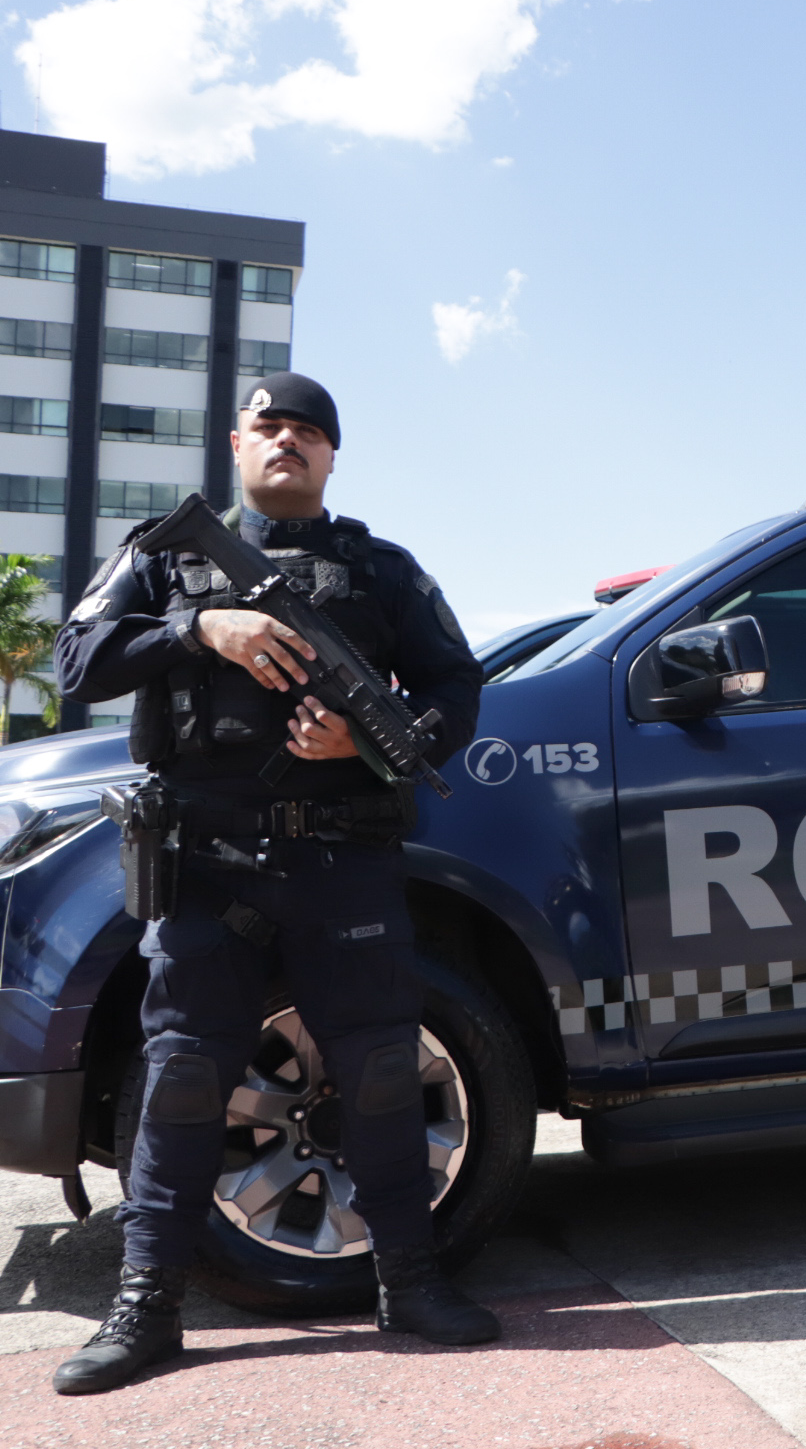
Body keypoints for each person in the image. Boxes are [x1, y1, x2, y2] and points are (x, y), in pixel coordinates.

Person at [51, 374, 491, 1395]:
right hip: (203, 866)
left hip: (341, 861)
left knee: (382, 1074)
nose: (288, 439)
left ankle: (410, 1284)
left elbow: (456, 690)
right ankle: (148, 1306)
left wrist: (367, 741)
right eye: (269, 425)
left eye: (309, 429)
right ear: (237, 444)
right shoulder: (164, 552)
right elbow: (79, 657)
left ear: (332, 456)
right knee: (184, 1083)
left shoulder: (380, 570)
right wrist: (200, 630)